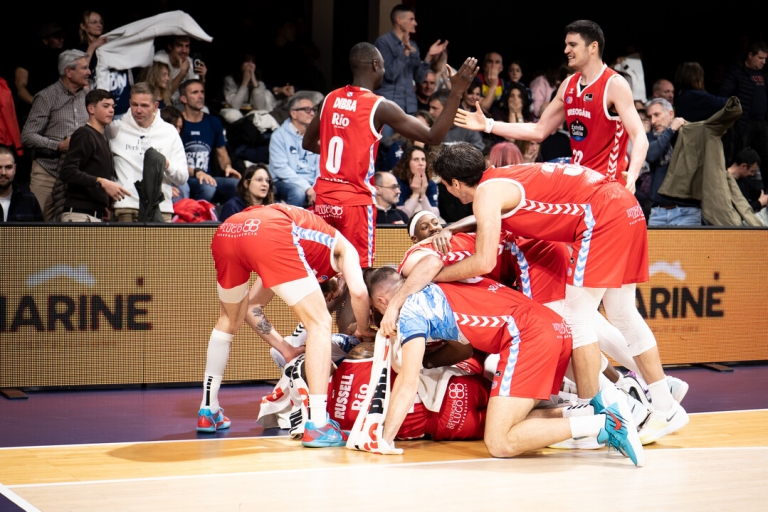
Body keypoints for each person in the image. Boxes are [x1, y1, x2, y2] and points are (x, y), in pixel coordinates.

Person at [427, 143, 689, 446]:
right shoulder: (500, 178)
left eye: (445, 185)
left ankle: (594, 409)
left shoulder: (486, 194)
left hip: (600, 215)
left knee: (577, 320)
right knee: (621, 313)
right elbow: (492, 214)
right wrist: (453, 227)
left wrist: (436, 275)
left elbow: (484, 261)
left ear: (455, 183)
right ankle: (664, 402)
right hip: (625, 205)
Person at [366, 267, 643, 465]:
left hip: (528, 334)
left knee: (499, 442)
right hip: (554, 327)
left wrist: (383, 438)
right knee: (512, 421)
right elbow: (464, 348)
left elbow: (408, 382)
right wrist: (428, 360)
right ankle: (594, 409)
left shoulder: (409, 311)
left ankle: (607, 422)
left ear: (382, 301)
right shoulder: (435, 281)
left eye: (378, 312)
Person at [199, 204, 374, 449]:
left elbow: (251, 307)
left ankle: (208, 410)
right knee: (320, 322)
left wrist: (286, 349)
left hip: (230, 230)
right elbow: (359, 292)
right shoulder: (344, 249)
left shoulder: (298, 253)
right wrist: (364, 329)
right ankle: (318, 423)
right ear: (337, 277)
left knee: (228, 319)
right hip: (270, 229)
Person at [302, 42, 478, 269]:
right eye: (384, 66)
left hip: (324, 198)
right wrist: (456, 92)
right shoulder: (378, 106)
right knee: (360, 272)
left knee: (324, 270)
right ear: (376, 65)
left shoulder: (330, 99)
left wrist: (347, 153)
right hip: (355, 201)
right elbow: (433, 136)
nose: (384, 71)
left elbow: (308, 142)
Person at [456, 20, 648, 193]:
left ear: (593, 47)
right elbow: (539, 130)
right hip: (580, 185)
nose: (566, 50)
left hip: (609, 187)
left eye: (572, 45)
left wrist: (633, 174)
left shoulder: (614, 84)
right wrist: (488, 124)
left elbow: (639, 135)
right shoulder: (568, 85)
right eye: (566, 45)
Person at [21, 49, 90, 220]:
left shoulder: (88, 97)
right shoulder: (46, 97)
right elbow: (27, 135)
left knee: (72, 228)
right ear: (68, 72)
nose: (89, 72)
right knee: (38, 226)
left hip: (77, 175)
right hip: (48, 172)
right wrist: (57, 146)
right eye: (84, 68)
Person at [106, 82, 188, 222]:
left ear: (155, 106)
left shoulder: (169, 132)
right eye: (134, 104)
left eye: (144, 106)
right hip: (126, 207)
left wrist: (165, 164)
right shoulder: (114, 129)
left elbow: (182, 177)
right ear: (129, 103)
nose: (138, 110)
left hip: (161, 208)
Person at [58, 90, 130, 222]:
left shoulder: (101, 138)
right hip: (79, 215)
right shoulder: (84, 134)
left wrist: (102, 203)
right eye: (105, 106)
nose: (111, 110)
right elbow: (67, 172)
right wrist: (102, 182)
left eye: (112, 106)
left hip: (94, 215)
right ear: (91, 109)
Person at [373, 4, 449, 115]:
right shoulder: (383, 42)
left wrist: (429, 56)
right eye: (411, 19)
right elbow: (389, 74)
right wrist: (405, 52)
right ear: (399, 20)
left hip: (410, 106)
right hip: (389, 105)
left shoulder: (413, 45)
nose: (415, 23)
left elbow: (419, 78)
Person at [179, 79, 241, 204]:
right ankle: (195, 214)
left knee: (238, 185)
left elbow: (222, 153)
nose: (200, 96)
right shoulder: (177, 122)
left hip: (208, 177)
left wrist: (228, 167)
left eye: (202, 92)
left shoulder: (213, 122)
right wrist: (196, 173)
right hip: (184, 178)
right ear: (184, 99)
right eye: (195, 92)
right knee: (208, 187)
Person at [719, 42, 768, 190]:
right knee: (740, 158)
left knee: (765, 159)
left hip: (761, 123)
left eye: (765, 59)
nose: (763, 62)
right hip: (744, 123)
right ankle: (736, 191)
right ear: (750, 55)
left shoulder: (763, 74)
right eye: (760, 58)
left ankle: (764, 193)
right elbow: (724, 95)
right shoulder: (737, 72)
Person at [643, 98, 699, 226]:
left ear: (671, 114)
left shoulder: (687, 135)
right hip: (658, 212)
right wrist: (671, 130)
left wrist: (675, 131)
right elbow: (651, 155)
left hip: (687, 211)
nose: (653, 121)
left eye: (657, 115)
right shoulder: (650, 138)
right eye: (650, 117)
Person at [268, 95, 320, 207]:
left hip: (313, 183)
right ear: (293, 113)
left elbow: (321, 166)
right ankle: (291, 219)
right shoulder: (279, 135)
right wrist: (307, 187)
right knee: (298, 193)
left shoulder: (316, 136)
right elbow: (281, 169)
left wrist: (317, 187)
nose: (312, 113)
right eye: (307, 109)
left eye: (313, 110)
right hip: (285, 181)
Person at [391, 146, 440, 218]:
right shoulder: (396, 182)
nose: (421, 163)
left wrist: (423, 195)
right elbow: (401, 217)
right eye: (416, 159)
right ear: (407, 163)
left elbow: (434, 217)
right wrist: (415, 194)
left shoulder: (430, 184)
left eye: (423, 159)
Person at [153, 36, 207, 101]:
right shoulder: (160, 60)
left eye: (187, 46)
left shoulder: (190, 63)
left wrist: (202, 79)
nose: (184, 51)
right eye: (179, 46)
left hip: (182, 103)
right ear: (170, 46)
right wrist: (182, 73)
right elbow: (162, 96)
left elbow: (197, 97)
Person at [0, 145, 43, 222]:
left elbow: (41, 229)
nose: (3, 172)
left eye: (8, 167)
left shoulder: (29, 199)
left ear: (15, 169)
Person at [728, 148, 766, 213]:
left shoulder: (744, 179)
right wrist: (760, 203)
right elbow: (736, 212)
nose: (752, 174)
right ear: (743, 166)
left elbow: (756, 193)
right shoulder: (724, 182)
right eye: (752, 171)